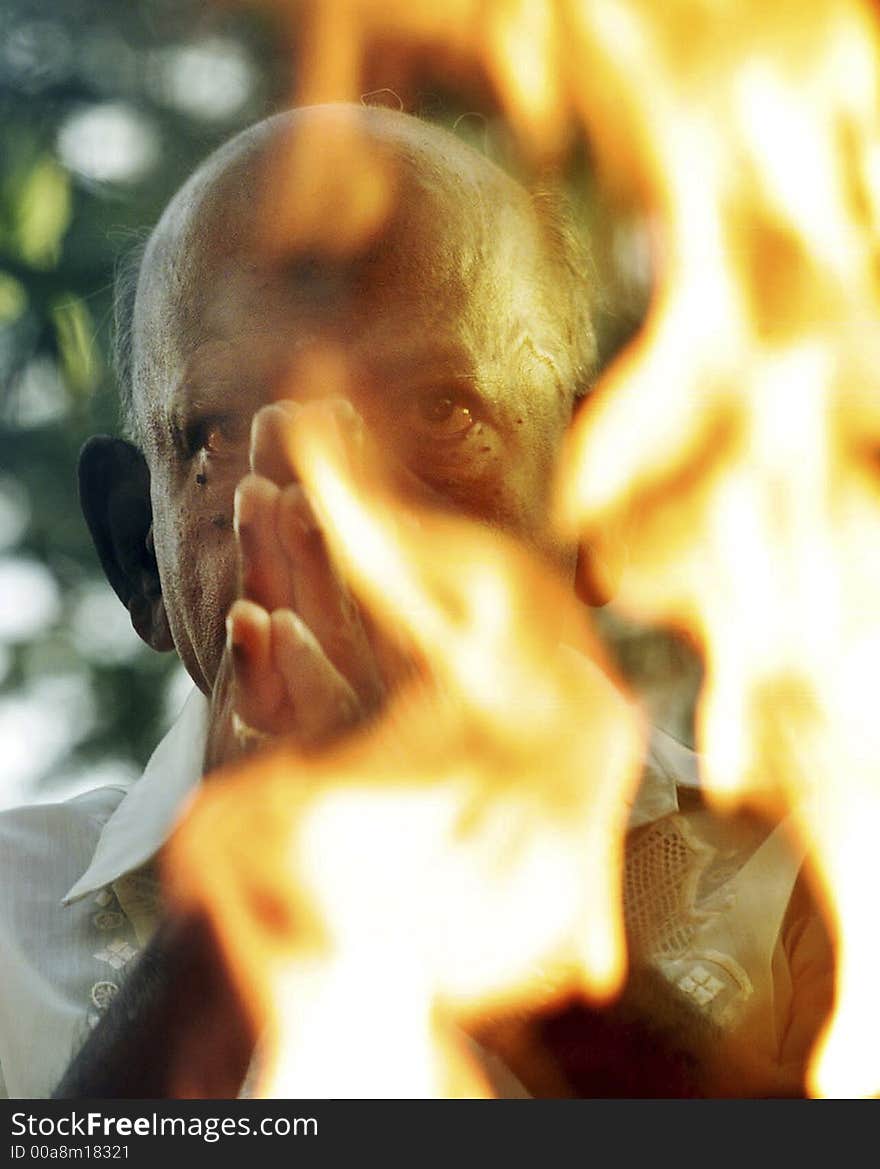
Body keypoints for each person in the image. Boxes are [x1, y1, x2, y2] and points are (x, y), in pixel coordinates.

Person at [0, 104, 832, 1099]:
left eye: (440, 410)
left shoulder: (804, 871)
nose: (343, 515)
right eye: (224, 435)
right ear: (142, 556)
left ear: (590, 498)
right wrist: (237, 898)